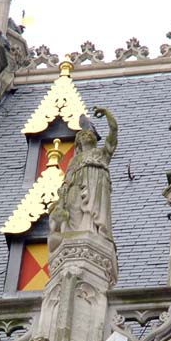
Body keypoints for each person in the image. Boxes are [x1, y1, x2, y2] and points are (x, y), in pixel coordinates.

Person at [48, 107, 118, 252]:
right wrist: (62, 196)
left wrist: (107, 114)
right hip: (76, 188)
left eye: (89, 134)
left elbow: (113, 134)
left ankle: (95, 238)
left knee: (94, 218)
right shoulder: (75, 160)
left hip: (97, 188)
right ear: (78, 142)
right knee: (74, 212)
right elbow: (67, 179)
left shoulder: (101, 153)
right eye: (83, 135)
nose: (87, 135)